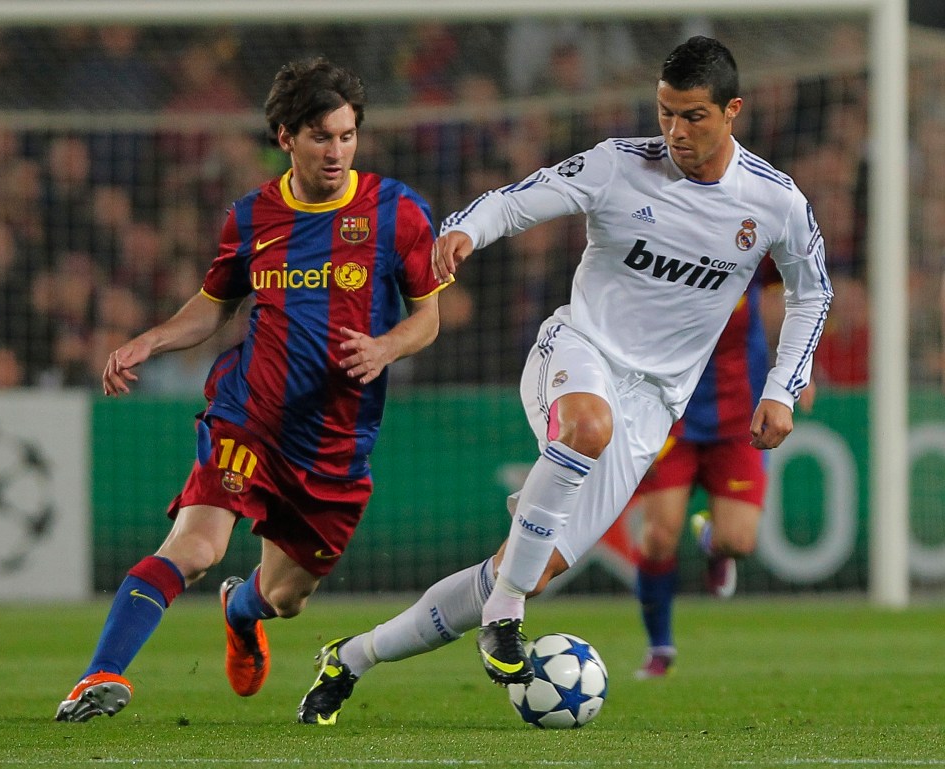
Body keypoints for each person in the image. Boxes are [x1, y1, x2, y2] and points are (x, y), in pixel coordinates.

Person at [297, 35, 831, 726]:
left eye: (694, 116)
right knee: (585, 428)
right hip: (576, 349)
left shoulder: (775, 201)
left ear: (733, 111)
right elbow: (526, 197)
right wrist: (465, 230)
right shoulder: (619, 165)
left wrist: (782, 386)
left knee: (522, 565)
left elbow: (811, 293)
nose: (675, 131)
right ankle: (506, 617)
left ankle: (353, 656)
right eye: (666, 112)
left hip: (653, 407)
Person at [55, 56, 445, 722]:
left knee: (288, 597)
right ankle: (98, 675)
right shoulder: (253, 216)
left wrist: (386, 346)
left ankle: (241, 610)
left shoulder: (395, 211)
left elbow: (427, 318)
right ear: (285, 136)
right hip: (251, 413)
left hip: (335, 439)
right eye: (322, 136)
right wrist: (149, 339)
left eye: (347, 135)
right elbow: (213, 306)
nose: (337, 150)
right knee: (195, 546)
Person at [632, 259, 817, 679]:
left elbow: (801, 288)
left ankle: (713, 539)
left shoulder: (748, 245)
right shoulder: (660, 247)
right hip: (670, 416)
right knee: (659, 535)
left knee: (739, 540)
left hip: (739, 417)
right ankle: (660, 646)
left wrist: (795, 368)